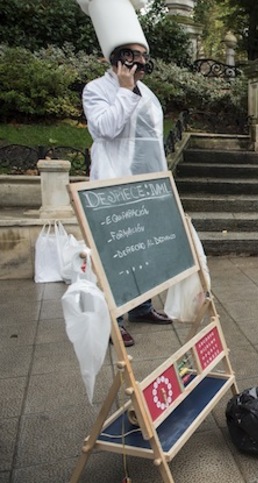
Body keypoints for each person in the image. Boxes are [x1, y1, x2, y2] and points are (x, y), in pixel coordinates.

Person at [82, 42, 172, 346]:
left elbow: (152, 142)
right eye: (135, 55)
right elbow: (105, 129)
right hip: (111, 186)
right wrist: (123, 89)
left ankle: (141, 307)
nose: (142, 61)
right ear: (118, 58)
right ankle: (113, 319)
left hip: (144, 186)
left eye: (145, 54)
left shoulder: (147, 94)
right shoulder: (96, 89)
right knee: (115, 254)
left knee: (143, 249)